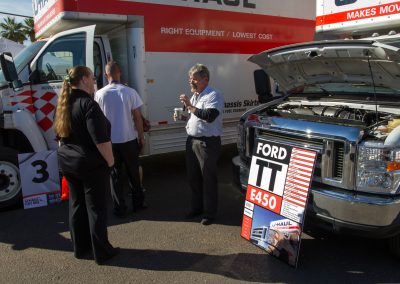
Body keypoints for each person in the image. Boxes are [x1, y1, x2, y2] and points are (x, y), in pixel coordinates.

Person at [54, 66, 119, 265]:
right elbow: (101, 141)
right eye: (91, 77)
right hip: (89, 165)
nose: (94, 80)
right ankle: (102, 252)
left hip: (68, 162)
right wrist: (111, 161)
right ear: (83, 80)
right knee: (96, 208)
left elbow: (60, 136)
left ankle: (80, 249)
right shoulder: (88, 104)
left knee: (76, 205)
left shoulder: (64, 103)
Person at [95, 61, 146, 217]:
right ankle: (138, 204)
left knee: (115, 176)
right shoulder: (130, 92)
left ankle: (119, 208)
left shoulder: (99, 94)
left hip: (110, 142)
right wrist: (141, 137)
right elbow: (137, 118)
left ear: (106, 75)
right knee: (133, 174)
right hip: (129, 139)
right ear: (120, 73)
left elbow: (98, 120)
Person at [177, 63, 224, 225]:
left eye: (195, 79)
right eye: (190, 79)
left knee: (208, 178)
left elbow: (209, 115)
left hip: (207, 143)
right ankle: (197, 208)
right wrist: (185, 117)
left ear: (205, 79)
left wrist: (189, 106)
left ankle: (210, 213)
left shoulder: (213, 95)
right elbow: (196, 117)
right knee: (193, 177)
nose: (191, 82)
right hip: (192, 141)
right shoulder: (196, 95)